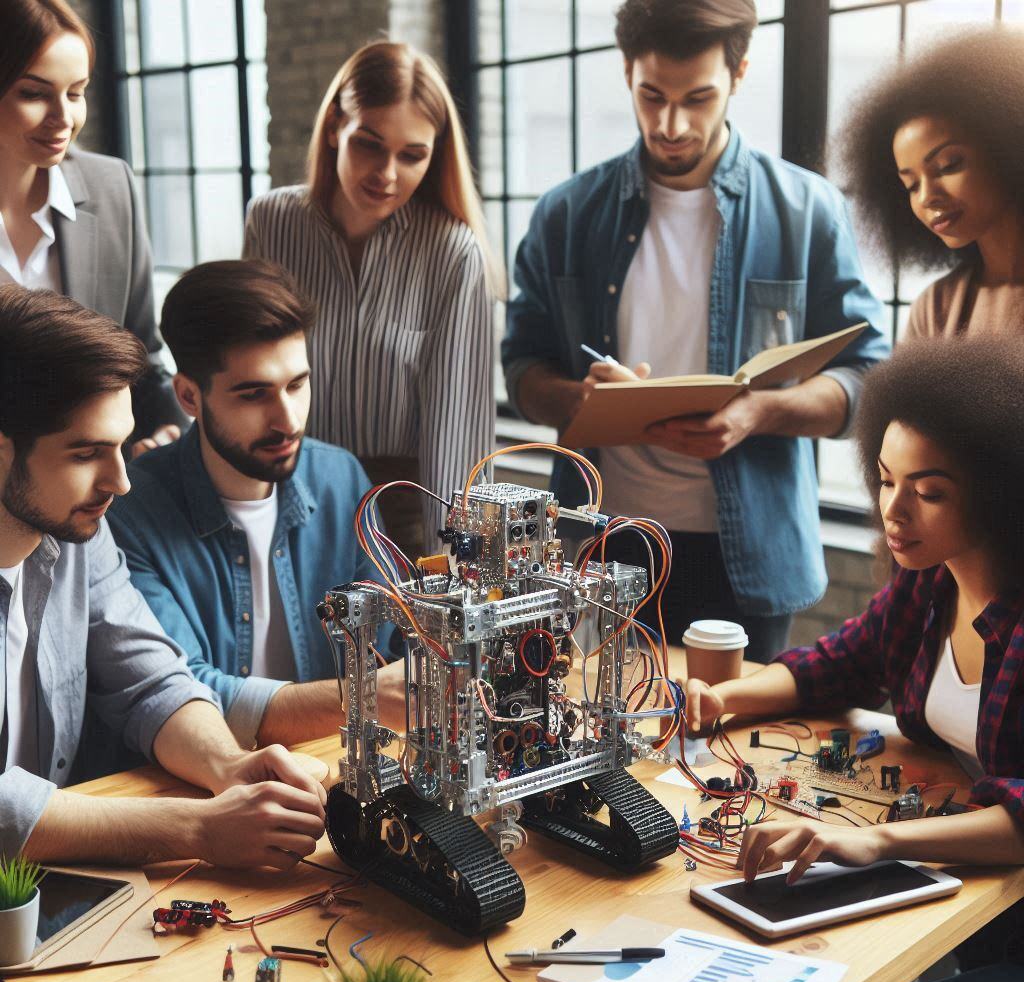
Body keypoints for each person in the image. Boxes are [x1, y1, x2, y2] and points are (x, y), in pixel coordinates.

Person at [501, 0, 889, 663]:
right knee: (604, 747)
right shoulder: (566, 214)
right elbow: (522, 366)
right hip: (605, 542)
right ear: (626, 72)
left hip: (751, 554)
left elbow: (868, 378)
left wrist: (758, 413)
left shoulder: (806, 210)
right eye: (651, 96)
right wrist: (583, 402)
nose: (670, 124)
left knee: (738, 759)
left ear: (739, 73)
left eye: (697, 98)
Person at [683, 334, 1024, 982]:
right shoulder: (926, 587)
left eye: (928, 492)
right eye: (887, 480)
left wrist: (875, 840)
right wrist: (723, 697)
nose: (894, 512)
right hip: (979, 905)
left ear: (998, 496)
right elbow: (841, 662)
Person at [0, 284, 327, 869]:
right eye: (85, 454)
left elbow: (149, 680)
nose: (120, 481)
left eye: (122, 446)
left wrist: (227, 767)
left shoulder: (80, 530)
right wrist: (194, 829)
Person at [106, 260, 404, 753]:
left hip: (335, 764)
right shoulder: (131, 511)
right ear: (188, 396)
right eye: (253, 394)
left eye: (296, 384)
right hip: (202, 788)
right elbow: (185, 694)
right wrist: (362, 698)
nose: (287, 420)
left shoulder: (341, 478)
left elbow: (390, 642)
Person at [243, 40, 500, 557]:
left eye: (412, 156)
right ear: (336, 125)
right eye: (369, 144)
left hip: (400, 516)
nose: (387, 174)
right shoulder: (270, 222)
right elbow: (245, 378)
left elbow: (459, 442)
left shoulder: (452, 253)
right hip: (284, 498)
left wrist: (462, 577)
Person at [0, 0, 185, 451]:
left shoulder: (111, 187)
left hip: (94, 485)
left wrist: (169, 433)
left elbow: (142, 354)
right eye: (34, 93)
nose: (64, 119)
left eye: (76, 92)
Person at [840, 27, 1024, 340]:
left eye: (947, 165)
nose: (927, 197)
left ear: (1007, 147)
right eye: (911, 185)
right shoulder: (936, 307)